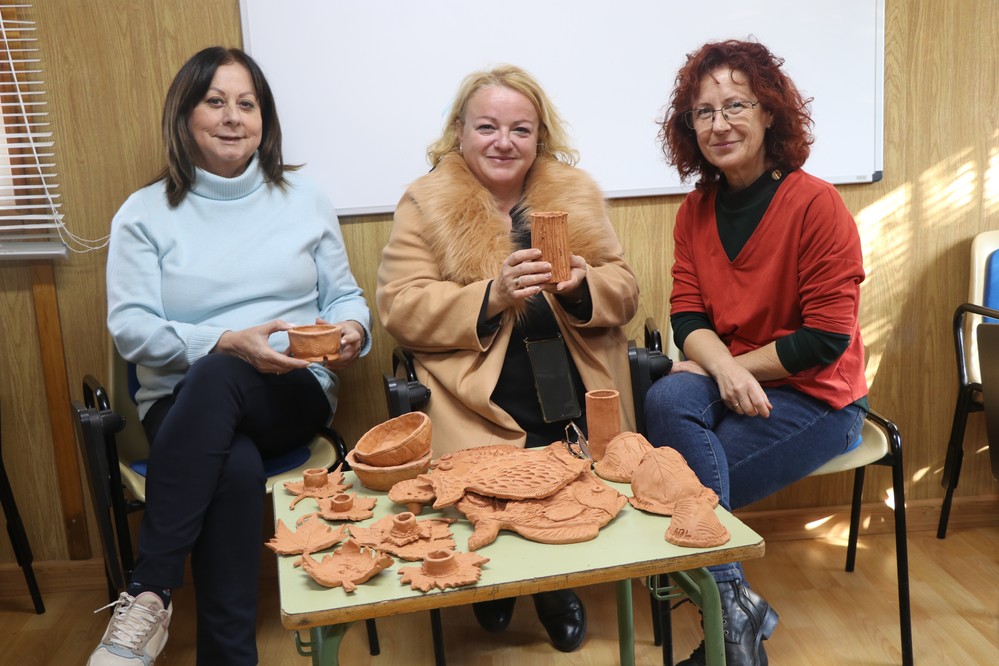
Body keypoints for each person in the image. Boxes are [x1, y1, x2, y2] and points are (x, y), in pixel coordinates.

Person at [88, 47, 371, 666]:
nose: (232, 117)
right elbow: (131, 330)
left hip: (290, 396)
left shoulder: (302, 197)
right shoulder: (143, 214)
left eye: (247, 104)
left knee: (224, 372)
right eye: (215, 101)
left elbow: (345, 294)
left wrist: (353, 327)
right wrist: (220, 341)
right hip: (183, 407)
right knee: (234, 464)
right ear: (185, 114)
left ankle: (148, 592)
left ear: (264, 119)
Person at [376, 64, 639, 653]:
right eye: (488, 126)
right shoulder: (426, 203)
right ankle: (496, 584)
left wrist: (579, 285)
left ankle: (553, 586)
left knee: (566, 457)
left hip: (572, 374)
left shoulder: (575, 193)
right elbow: (400, 304)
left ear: (539, 137)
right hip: (476, 386)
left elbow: (625, 289)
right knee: (500, 467)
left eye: (520, 129)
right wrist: (490, 296)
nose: (503, 142)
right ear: (460, 133)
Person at [645, 39, 868, 666]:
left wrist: (729, 367)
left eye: (735, 105)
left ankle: (725, 635)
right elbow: (687, 315)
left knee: (666, 492)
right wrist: (721, 367)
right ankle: (735, 609)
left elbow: (826, 337)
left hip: (817, 395)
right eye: (703, 112)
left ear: (769, 112)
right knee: (663, 393)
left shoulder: (815, 203)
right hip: (730, 374)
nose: (719, 124)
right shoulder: (695, 210)